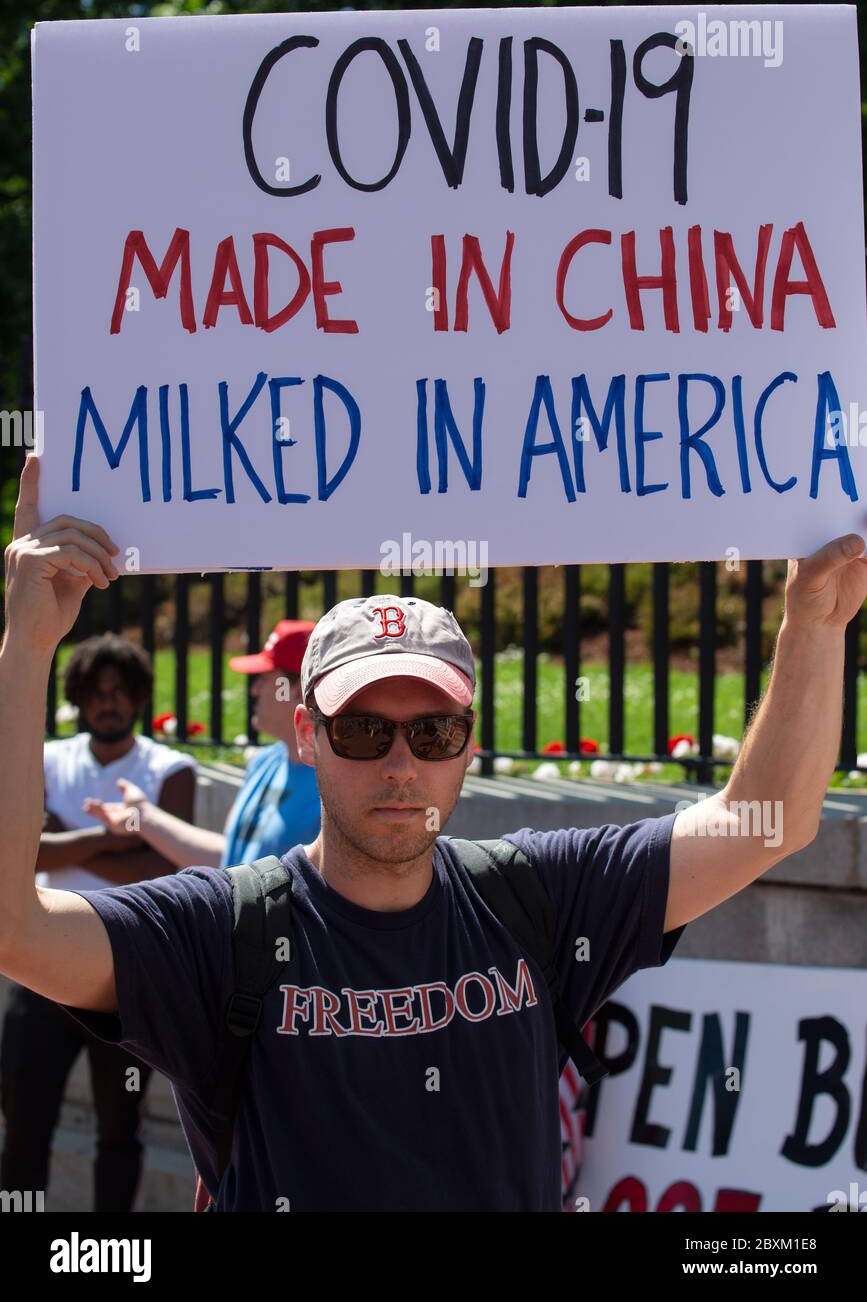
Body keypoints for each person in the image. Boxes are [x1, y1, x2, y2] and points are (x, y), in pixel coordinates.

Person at [1, 453, 862, 1211]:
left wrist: (813, 626)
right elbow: (16, 930)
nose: (401, 765)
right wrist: (27, 646)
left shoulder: (539, 897)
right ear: (305, 734)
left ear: (469, 742)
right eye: (362, 730)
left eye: (434, 732)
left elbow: (770, 822)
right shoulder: (219, 932)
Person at [0, 628, 196, 1212]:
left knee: (119, 1128)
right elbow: (23, 852)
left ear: (138, 697)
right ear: (79, 697)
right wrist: (116, 835)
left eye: (120, 691)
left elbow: (165, 867)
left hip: (128, 970)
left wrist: (66, 839)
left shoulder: (170, 767)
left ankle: (108, 1251)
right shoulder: (45, 758)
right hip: (39, 967)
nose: (107, 702)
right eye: (95, 691)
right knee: (23, 1126)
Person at [81, 621, 321, 871]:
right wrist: (143, 818)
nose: (254, 690)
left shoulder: (335, 777)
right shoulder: (265, 762)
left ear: (297, 688)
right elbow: (233, 861)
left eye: (264, 678)